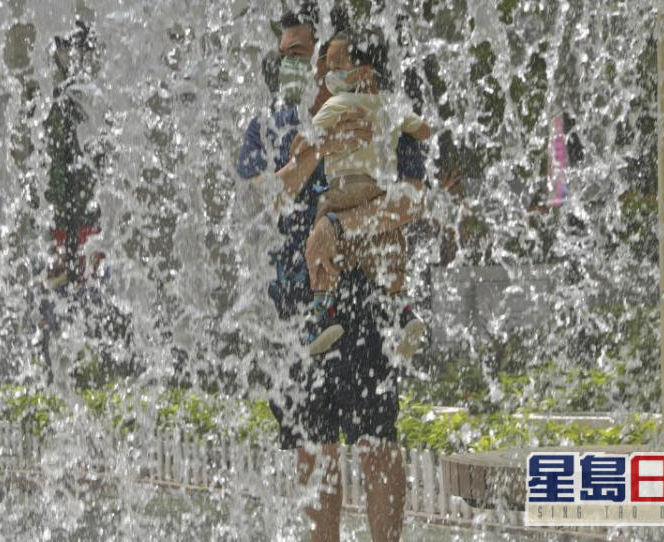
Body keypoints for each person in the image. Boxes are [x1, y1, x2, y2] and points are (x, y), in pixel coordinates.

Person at [236, 5, 428, 541]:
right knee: (311, 446)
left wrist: (343, 228)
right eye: (285, 58)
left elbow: (410, 201)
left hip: (367, 293)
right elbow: (270, 203)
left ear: (331, 53)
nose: (291, 67)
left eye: (301, 54)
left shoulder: (379, 112)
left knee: (375, 436)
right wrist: (310, 148)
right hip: (294, 307)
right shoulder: (266, 127)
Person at [303, 29, 430, 356]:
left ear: (365, 70)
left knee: (319, 243)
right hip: (376, 190)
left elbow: (303, 143)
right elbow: (425, 130)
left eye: (337, 66)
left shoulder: (339, 104)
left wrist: (336, 225)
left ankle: (322, 315)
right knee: (385, 254)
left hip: (344, 190)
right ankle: (406, 314)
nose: (328, 75)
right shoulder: (390, 106)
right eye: (326, 66)